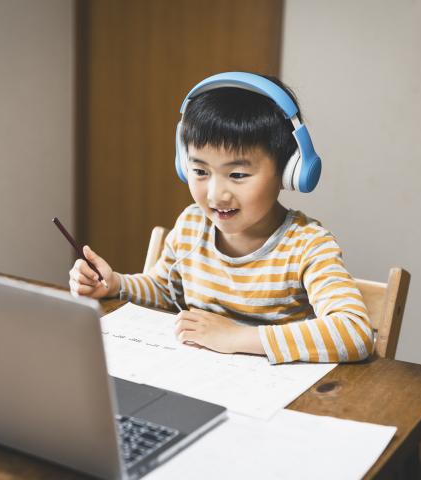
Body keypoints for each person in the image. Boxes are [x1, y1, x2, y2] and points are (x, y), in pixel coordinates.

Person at [69, 72, 373, 364]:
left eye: (238, 174)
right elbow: (164, 290)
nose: (216, 195)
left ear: (290, 172)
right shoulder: (191, 225)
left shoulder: (308, 245)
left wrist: (238, 338)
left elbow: (354, 333)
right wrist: (114, 284)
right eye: (200, 171)